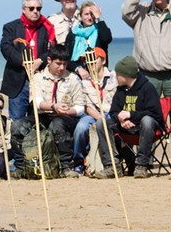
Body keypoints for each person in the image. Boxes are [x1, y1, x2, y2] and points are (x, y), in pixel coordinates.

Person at [16, 44, 84, 175]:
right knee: (17, 126)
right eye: (58, 64)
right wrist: (53, 107)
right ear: (49, 60)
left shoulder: (73, 78)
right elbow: (36, 102)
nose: (62, 68)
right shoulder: (37, 77)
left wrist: (67, 111)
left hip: (66, 117)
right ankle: (21, 167)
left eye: (64, 64)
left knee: (57, 125)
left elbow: (81, 107)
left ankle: (65, 167)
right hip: (43, 115)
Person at [0, 0, 56, 121]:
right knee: (17, 122)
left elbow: (52, 50)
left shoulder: (47, 28)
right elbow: (5, 48)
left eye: (38, 8)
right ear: (24, 9)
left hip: (40, 79)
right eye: (31, 8)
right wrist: (23, 62)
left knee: (37, 121)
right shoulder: (11, 27)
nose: (36, 11)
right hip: (19, 81)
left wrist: (40, 60)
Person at [106, 56, 162, 176]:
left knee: (147, 120)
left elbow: (155, 113)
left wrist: (131, 115)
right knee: (102, 123)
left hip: (145, 128)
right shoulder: (120, 90)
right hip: (125, 128)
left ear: (126, 75)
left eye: (118, 75)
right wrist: (121, 120)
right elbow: (113, 112)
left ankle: (141, 165)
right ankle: (113, 165)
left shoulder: (147, 88)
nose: (115, 77)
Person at [74, 47, 116, 175]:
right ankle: (78, 161)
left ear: (103, 61)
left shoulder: (114, 77)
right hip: (92, 114)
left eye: (93, 60)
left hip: (111, 113)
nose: (90, 64)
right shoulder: (84, 81)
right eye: (87, 61)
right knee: (81, 128)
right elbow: (85, 105)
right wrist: (99, 117)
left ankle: (114, 160)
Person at [69, 0, 113, 66]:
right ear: (81, 16)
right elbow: (67, 58)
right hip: (79, 73)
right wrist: (78, 69)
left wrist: (99, 18)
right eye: (86, 14)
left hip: (98, 72)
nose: (89, 17)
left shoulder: (100, 31)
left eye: (92, 14)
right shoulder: (73, 34)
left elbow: (106, 38)